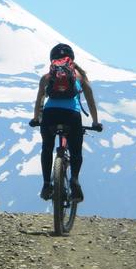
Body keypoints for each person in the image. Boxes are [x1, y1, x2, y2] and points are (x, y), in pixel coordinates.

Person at [30, 43, 102, 202]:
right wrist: (96, 122)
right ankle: (74, 180)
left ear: (52, 60)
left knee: (47, 148)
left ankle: (46, 184)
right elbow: (90, 101)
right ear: (71, 58)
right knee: (76, 152)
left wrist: (36, 119)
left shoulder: (47, 77)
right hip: (71, 115)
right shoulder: (79, 76)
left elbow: (39, 101)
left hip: (50, 115)